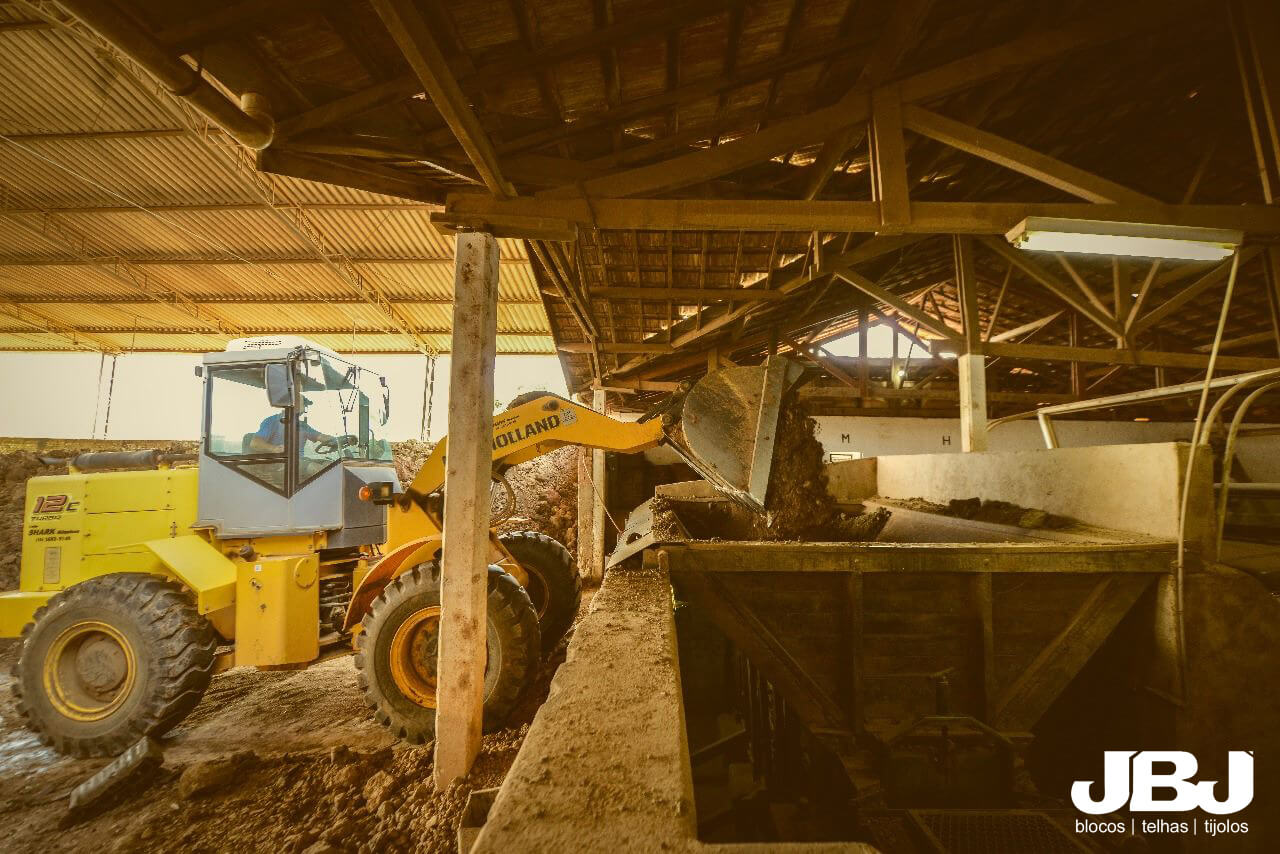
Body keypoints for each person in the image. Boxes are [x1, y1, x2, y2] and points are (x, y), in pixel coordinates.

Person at [248, 397, 334, 453]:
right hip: (280, 464)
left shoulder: (302, 426)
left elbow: (321, 437)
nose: (304, 410)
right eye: (303, 405)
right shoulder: (271, 421)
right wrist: (274, 448)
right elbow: (255, 443)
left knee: (326, 464)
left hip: (299, 463)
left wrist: (340, 440)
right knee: (315, 468)